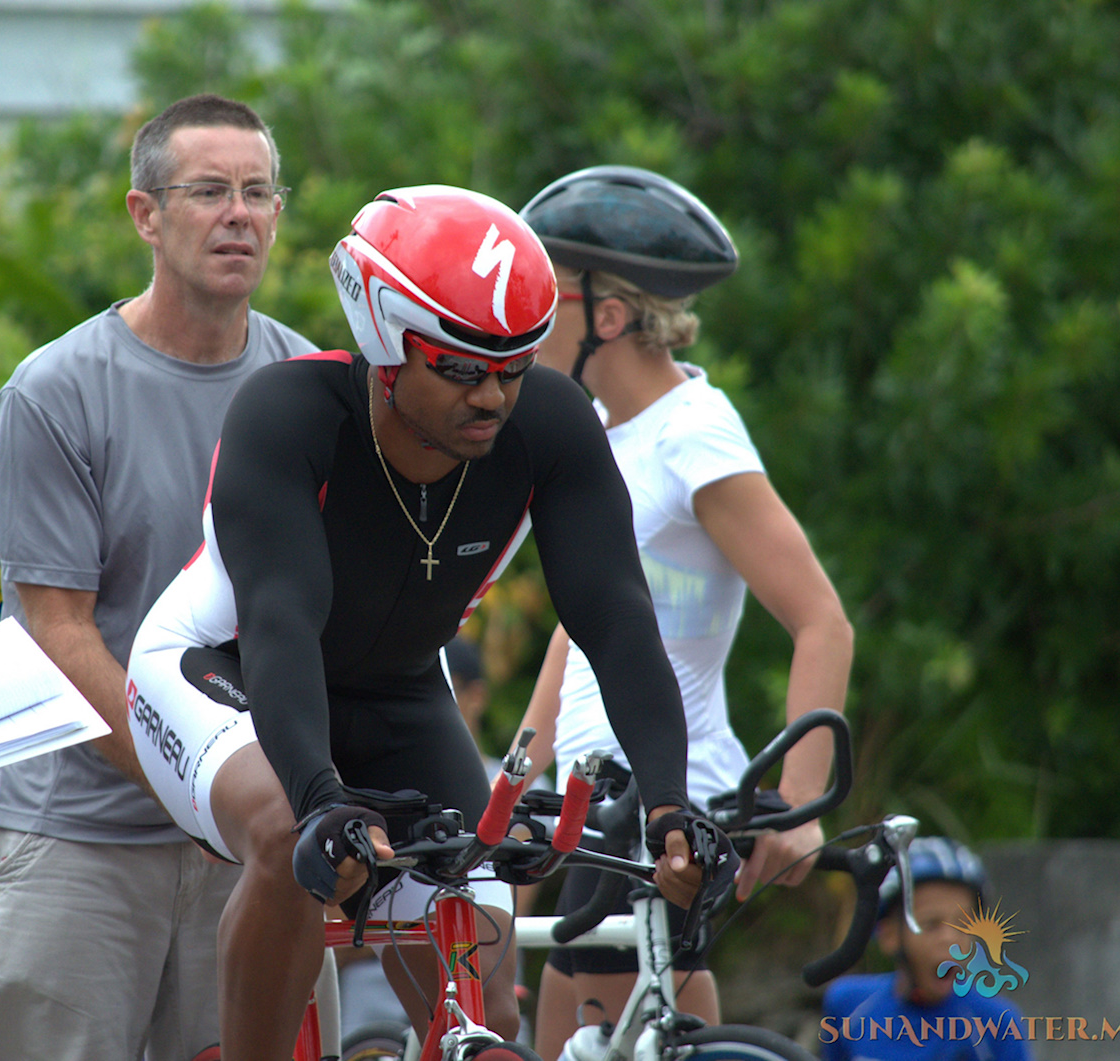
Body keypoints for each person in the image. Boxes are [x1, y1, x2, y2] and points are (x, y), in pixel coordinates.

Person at [126, 184, 727, 1061]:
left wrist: (672, 800)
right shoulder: (289, 415)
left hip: (402, 688)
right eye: (459, 366)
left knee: (484, 1010)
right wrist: (323, 796)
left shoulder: (552, 425)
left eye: (513, 365)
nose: (492, 396)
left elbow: (619, 619)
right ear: (383, 340)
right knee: (292, 836)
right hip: (227, 669)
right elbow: (282, 624)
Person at [0, 93, 317, 1061]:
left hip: (263, 844)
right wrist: (207, 783)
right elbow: (58, 631)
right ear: (145, 215)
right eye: (207, 191)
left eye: (257, 192)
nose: (238, 213)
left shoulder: (311, 389)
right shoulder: (54, 393)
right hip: (81, 838)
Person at [511, 165, 855, 1050]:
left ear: (612, 317)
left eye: (551, 294)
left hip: (669, 799)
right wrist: (516, 786)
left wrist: (801, 804)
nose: (528, 313)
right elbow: (578, 631)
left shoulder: (693, 431)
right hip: (592, 803)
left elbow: (821, 618)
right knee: (551, 1037)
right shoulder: (598, 430)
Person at [820, 837, 1032, 1061]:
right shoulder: (848, 1005)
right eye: (931, 924)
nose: (950, 939)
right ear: (889, 935)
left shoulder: (997, 1025)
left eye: (964, 924)